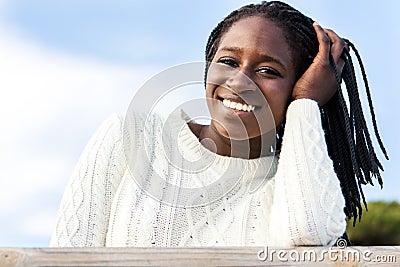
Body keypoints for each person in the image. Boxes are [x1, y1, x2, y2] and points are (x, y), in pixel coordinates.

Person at [50, 1, 387, 247]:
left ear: (299, 85)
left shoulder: (290, 185)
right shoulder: (133, 135)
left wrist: (305, 106)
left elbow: (309, 232)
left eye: (269, 71)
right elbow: (66, 253)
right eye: (228, 61)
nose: (240, 82)